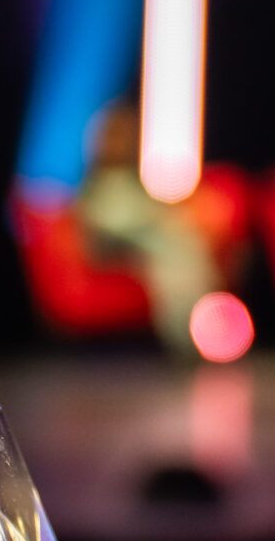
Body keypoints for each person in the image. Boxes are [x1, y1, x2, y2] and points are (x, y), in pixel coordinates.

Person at [76, 101, 220, 357]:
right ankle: (188, 338)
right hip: (115, 248)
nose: (120, 143)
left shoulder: (138, 182)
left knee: (182, 253)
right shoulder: (88, 185)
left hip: (152, 244)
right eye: (114, 136)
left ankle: (198, 332)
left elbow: (152, 215)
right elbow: (97, 229)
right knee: (175, 255)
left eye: (125, 136)